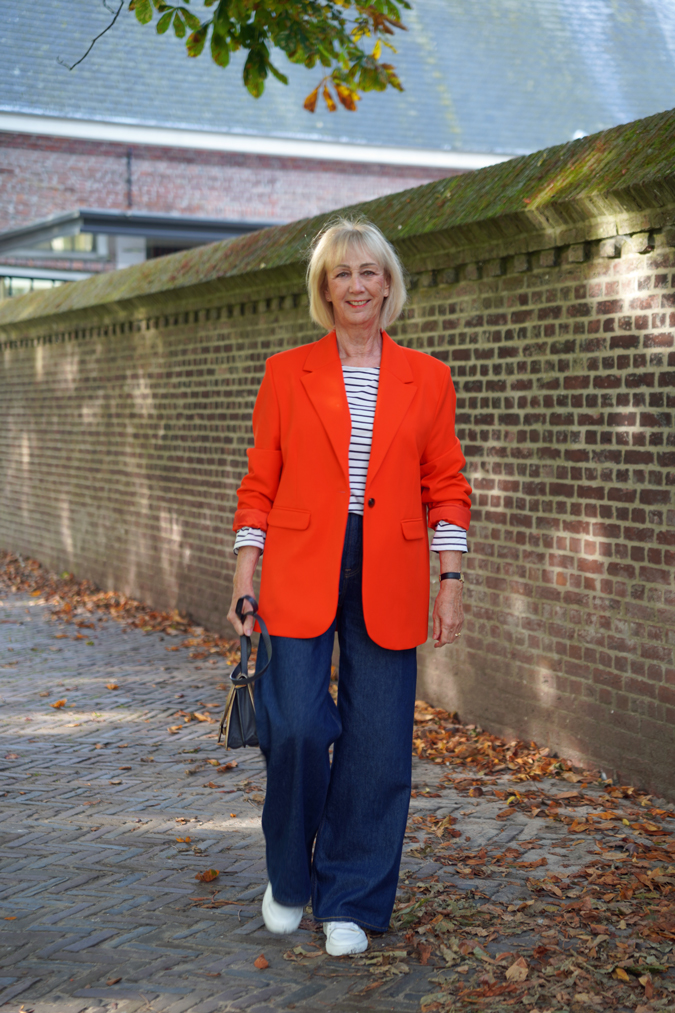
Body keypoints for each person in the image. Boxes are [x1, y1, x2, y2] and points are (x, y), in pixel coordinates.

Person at [228, 217, 471, 957]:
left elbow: (446, 485)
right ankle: (287, 875)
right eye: (342, 274)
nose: (357, 285)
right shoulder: (285, 371)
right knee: (296, 723)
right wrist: (245, 573)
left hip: (389, 566)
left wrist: (450, 577)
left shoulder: (426, 377)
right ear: (323, 289)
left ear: (388, 283)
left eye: (369, 271)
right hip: (302, 562)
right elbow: (259, 481)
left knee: (376, 741)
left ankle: (351, 898)